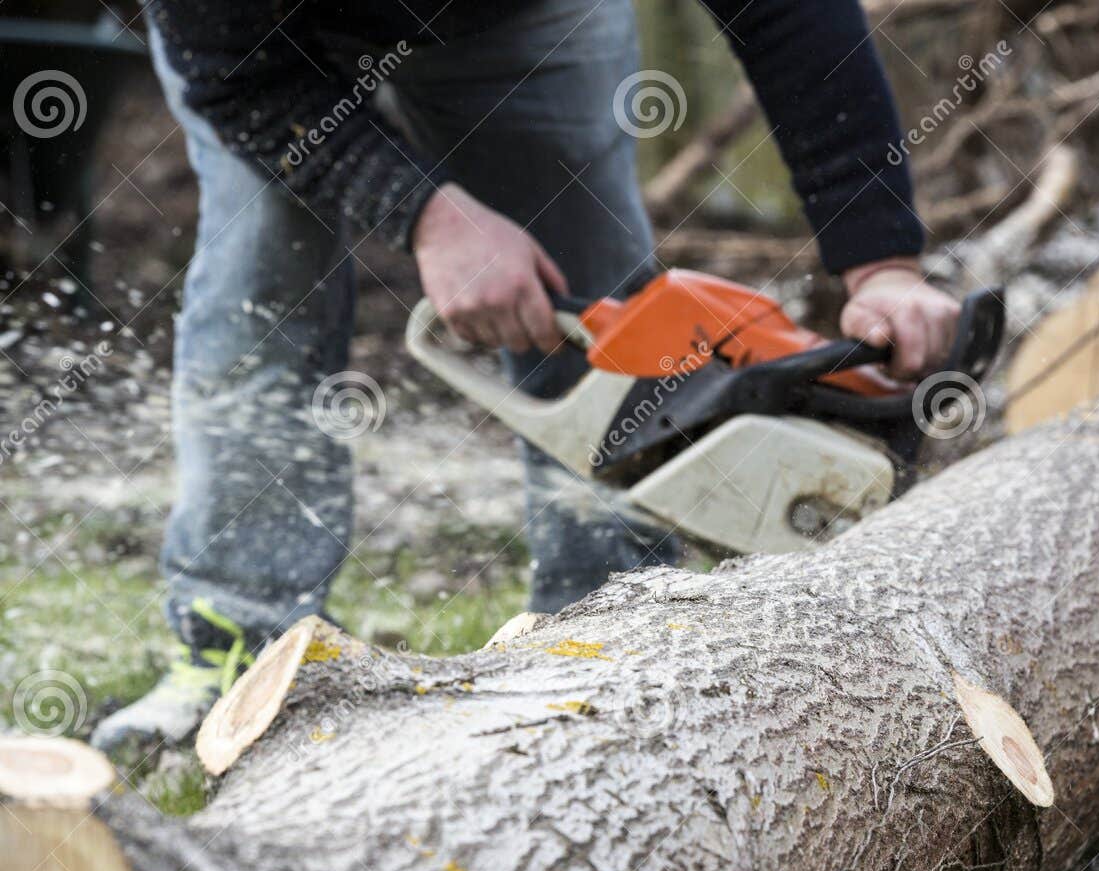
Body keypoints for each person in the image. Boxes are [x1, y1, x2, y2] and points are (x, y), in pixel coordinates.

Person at [92, 0, 961, 753]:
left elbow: (791, 15)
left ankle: (616, 631)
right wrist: (428, 217)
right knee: (261, 272)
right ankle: (235, 646)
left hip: (514, 24)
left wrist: (878, 256)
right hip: (260, 47)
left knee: (594, 285)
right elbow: (239, 76)